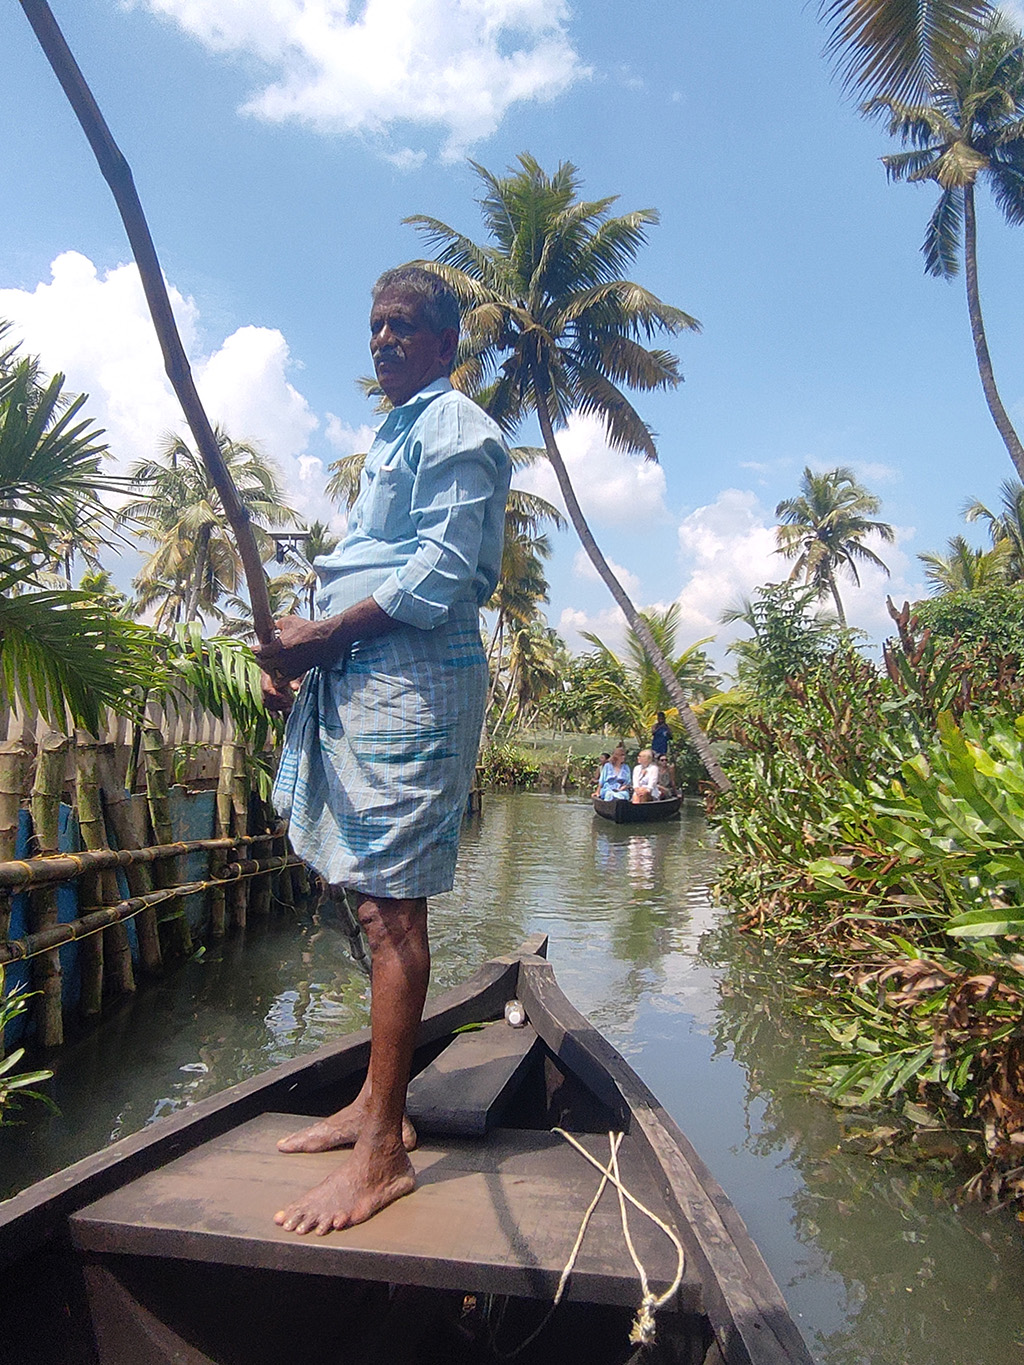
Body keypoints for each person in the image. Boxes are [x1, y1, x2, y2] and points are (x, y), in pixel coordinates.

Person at [255, 266, 511, 1234]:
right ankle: (377, 1105)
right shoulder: (397, 432)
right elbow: (381, 559)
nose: (383, 343)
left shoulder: (455, 426)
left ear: (446, 344)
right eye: (374, 328)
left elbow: (445, 572)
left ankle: (379, 1160)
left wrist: (328, 637)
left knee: (389, 905)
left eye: (403, 329)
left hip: (412, 674)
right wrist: (302, 643)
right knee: (368, 897)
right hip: (365, 667)